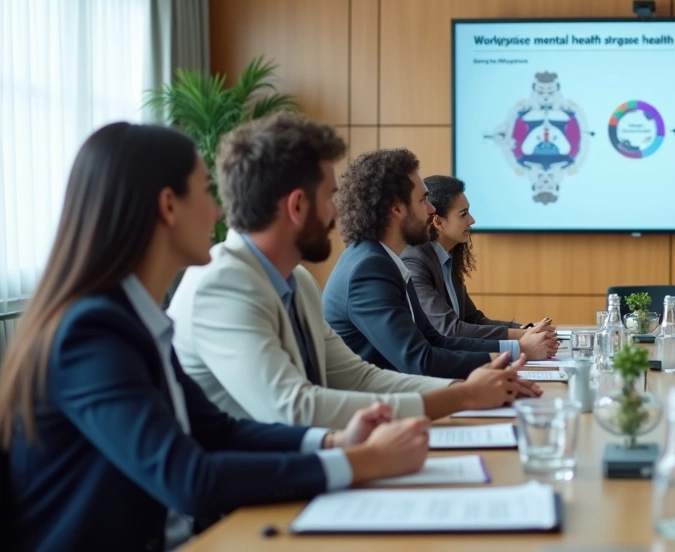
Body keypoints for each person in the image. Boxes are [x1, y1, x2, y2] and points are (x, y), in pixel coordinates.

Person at [0, 123, 432, 552]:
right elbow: (189, 479)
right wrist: (358, 462)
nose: (218, 212)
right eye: (205, 192)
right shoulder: (91, 334)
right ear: (169, 206)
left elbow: (218, 430)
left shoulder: (133, 319)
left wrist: (335, 440)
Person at [169, 113, 536, 430]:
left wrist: (465, 392)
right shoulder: (222, 284)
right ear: (298, 206)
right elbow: (294, 408)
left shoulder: (298, 282)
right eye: (330, 197)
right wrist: (461, 397)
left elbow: (358, 376)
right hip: (241, 503)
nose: (338, 212)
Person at [323, 152, 558, 378]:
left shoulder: (382, 259)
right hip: (374, 410)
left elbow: (436, 340)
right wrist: (518, 351)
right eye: (423, 200)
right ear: (397, 209)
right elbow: (419, 361)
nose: (432, 209)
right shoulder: (370, 268)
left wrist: (515, 349)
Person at [401, 174, 550, 341]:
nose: (472, 220)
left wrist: (526, 329)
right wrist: (521, 337)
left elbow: (473, 319)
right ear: (438, 222)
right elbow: (448, 329)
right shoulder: (415, 261)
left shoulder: (447, 257)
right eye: (463, 214)